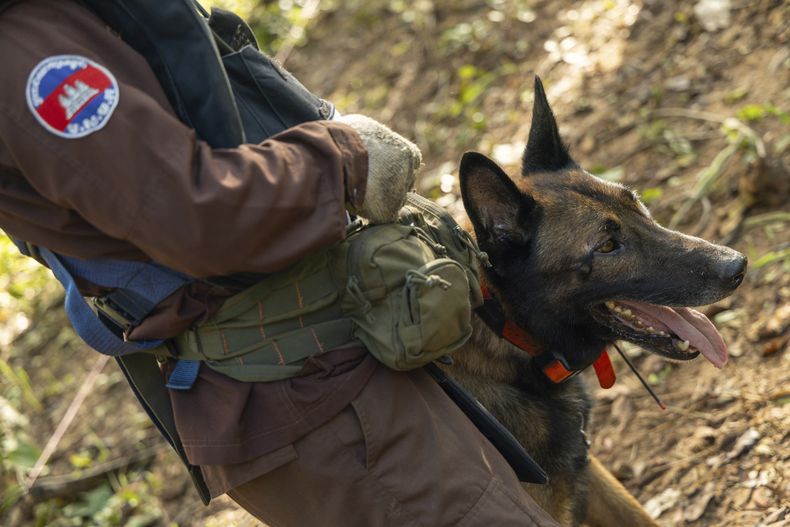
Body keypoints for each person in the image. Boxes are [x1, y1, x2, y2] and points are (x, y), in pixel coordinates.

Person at [0, 1, 560, 525]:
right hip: (311, 400)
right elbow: (195, 216)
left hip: (341, 363)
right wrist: (341, 159)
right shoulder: (29, 57)